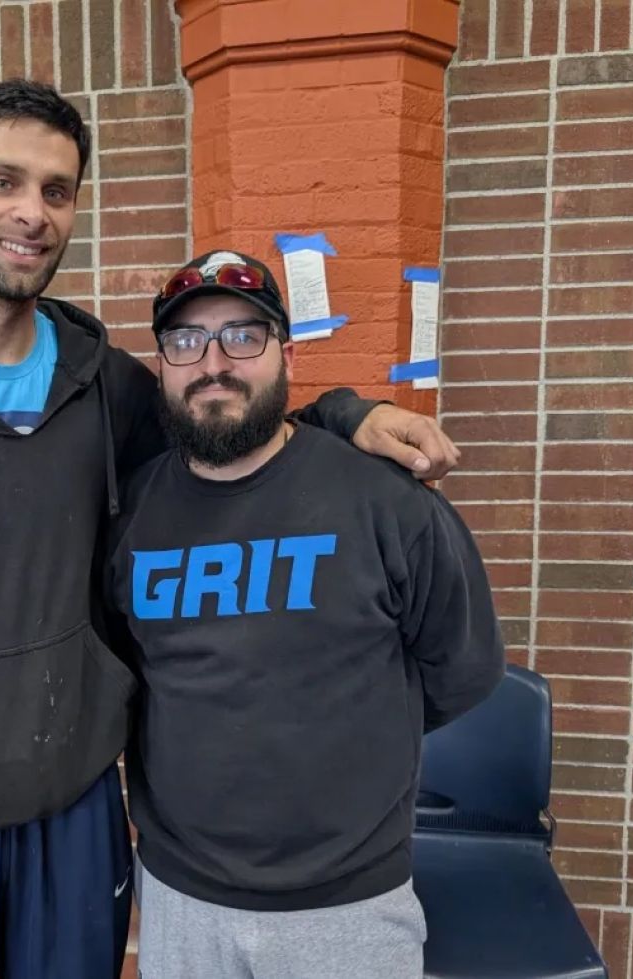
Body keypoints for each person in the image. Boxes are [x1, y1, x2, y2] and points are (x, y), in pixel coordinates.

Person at [0, 80, 462, 979]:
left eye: (55, 189)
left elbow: (227, 427)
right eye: (2, 181)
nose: (29, 213)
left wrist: (346, 412)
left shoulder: (109, 391)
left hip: (67, 812)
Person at [104, 250, 506, 979]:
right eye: (186, 341)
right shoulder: (131, 514)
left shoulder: (385, 502)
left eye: (243, 336)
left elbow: (461, 667)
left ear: (286, 354)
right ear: (162, 364)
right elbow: (129, 673)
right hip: (183, 897)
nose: (214, 362)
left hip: (349, 907)